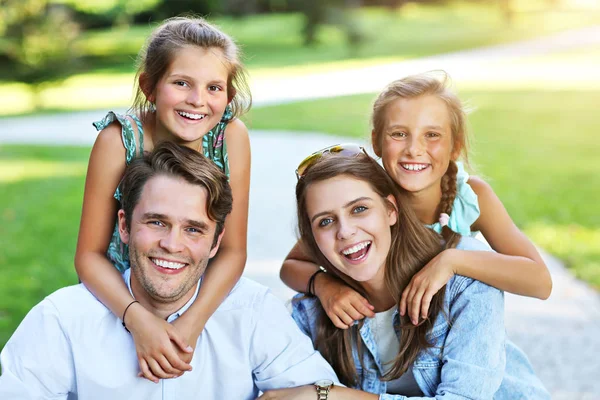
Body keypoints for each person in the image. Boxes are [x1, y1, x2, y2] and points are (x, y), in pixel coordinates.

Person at [0, 143, 339, 399]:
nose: (172, 244)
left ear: (216, 242)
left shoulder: (251, 313)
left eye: (193, 229)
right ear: (124, 226)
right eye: (157, 222)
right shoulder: (61, 320)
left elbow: (316, 390)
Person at [260, 149, 549, 399]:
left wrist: (333, 396)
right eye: (325, 221)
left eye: (359, 209)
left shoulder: (465, 279)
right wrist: (321, 284)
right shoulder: (314, 310)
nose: (345, 231)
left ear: (390, 210)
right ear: (312, 238)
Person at [280, 72, 552, 329]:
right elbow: (291, 266)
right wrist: (325, 286)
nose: (414, 149)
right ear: (376, 142)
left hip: (451, 333)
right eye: (399, 134)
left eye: (432, 135)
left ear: (455, 146)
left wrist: (452, 261)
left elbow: (539, 282)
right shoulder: (367, 203)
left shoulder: (469, 197)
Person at [76, 17, 251, 382]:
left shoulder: (230, 137)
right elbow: (88, 256)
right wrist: (138, 320)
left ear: (228, 97)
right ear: (150, 86)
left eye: (214, 87)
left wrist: (190, 324)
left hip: (193, 296)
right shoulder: (117, 141)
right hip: (121, 295)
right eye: (181, 83)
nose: (197, 100)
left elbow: (233, 250)